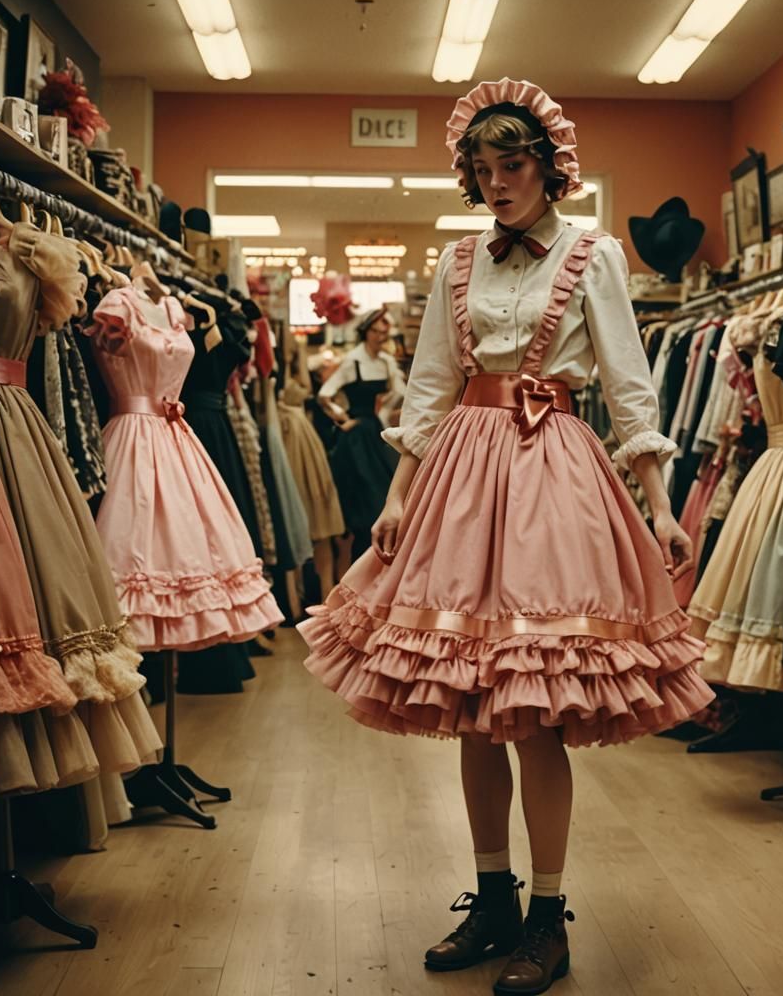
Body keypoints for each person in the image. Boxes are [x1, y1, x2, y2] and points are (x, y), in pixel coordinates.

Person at [300, 78, 714, 996]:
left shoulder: (594, 254)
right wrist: (400, 492)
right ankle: (491, 898)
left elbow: (629, 383)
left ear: (548, 165)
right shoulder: (458, 264)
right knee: (469, 707)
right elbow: (429, 384)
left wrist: (657, 502)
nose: (496, 183)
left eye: (512, 164)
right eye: (481, 169)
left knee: (535, 710)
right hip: (463, 473)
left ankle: (547, 916)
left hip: (555, 471)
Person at [317, 308, 403, 560]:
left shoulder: (386, 362)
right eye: (374, 332)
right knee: (364, 500)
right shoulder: (353, 360)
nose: (379, 337)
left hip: (376, 432)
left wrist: (386, 414)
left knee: (385, 492)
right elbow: (324, 394)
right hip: (355, 438)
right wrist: (342, 417)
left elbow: (400, 391)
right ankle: (360, 558)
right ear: (365, 333)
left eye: (383, 332)